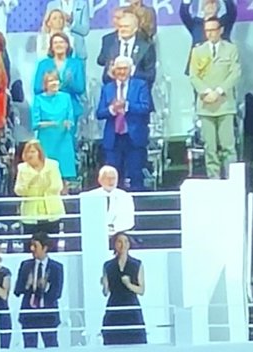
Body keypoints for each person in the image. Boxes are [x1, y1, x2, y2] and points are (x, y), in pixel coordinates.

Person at [189, 18, 240, 179]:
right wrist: (206, 92)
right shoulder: (198, 51)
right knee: (210, 147)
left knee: (228, 146)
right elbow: (193, 76)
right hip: (205, 106)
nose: (210, 33)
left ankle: (233, 180)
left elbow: (235, 73)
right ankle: (214, 181)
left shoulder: (231, 49)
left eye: (213, 30)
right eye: (207, 30)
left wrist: (218, 91)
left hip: (225, 104)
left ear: (221, 30)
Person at [96, 56, 153, 191]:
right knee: (114, 175)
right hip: (113, 138)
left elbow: (146, 107)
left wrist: (126, 106)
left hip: (134, 137)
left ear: (131, 70)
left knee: (136, 175)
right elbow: (99, 113)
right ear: (114, 70)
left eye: (124, 69)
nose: (121, 72)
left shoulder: (140, 85)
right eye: (118, 69)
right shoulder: (107, 88)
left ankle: (137, 206)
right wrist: (112, 109)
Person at [15, 232, 63, 348]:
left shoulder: (56, 267)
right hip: (29, 316)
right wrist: (28, 285)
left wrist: (46, 287)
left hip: (48, 316)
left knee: (51, 348)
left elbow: (57, 293)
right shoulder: (25, 265)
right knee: (29, 349)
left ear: (45, 248)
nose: (32, 249)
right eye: (31, 245)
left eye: (35, 246)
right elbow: (17, 291)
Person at [32, 70, 77, 183]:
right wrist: (51, 124)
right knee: (47, 176)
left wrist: (68, 123)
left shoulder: (66, 97)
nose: (54, 83)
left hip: (63, 140)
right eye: (51, 81)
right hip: (46, 141)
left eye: (56, 80)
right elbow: (35, 123)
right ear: (45, 84)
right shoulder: (38, 99)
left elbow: (70, 119)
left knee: (64, 176)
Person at [101, 232, 147, 345]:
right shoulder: (108, 265)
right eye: (119, 242)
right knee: (113, 339)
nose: (123, 245)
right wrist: (104, 285)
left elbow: (141, 290)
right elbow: (106, 292)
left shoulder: (136, 264)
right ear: (115, 244)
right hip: (114, 306)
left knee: (134, 339)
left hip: (131, 306)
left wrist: (129, 285)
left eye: (126, 241)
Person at [14, 140, 65, 238]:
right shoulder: (22, 168)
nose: (30, 155)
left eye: (33, 152)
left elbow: (58, 186)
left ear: (39, 153)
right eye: (27, 152)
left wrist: (38, 187)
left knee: (51, 243)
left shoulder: (53, 165)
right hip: (31, 215)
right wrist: (29, 183)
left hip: (51, 213)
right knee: (30, 244)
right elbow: (18, 190)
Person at [98, 12, 157, 85]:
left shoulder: (146, 45)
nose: (123, 29)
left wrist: (128, 73)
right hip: (112, 87)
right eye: (120, 26)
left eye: (126, 26)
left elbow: (150, 76)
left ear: (135, 28)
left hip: (137, 89)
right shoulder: (109, 41)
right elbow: (102, 62)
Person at [83, 165, 135, 238]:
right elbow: (88, 221)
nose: (111, 181)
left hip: (120, 234)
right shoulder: (89, 197)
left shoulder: (125, 196)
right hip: (95, 235)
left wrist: (113, 229)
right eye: (108, 178)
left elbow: (128, 220)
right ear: (100, 180)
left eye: (113, 178)